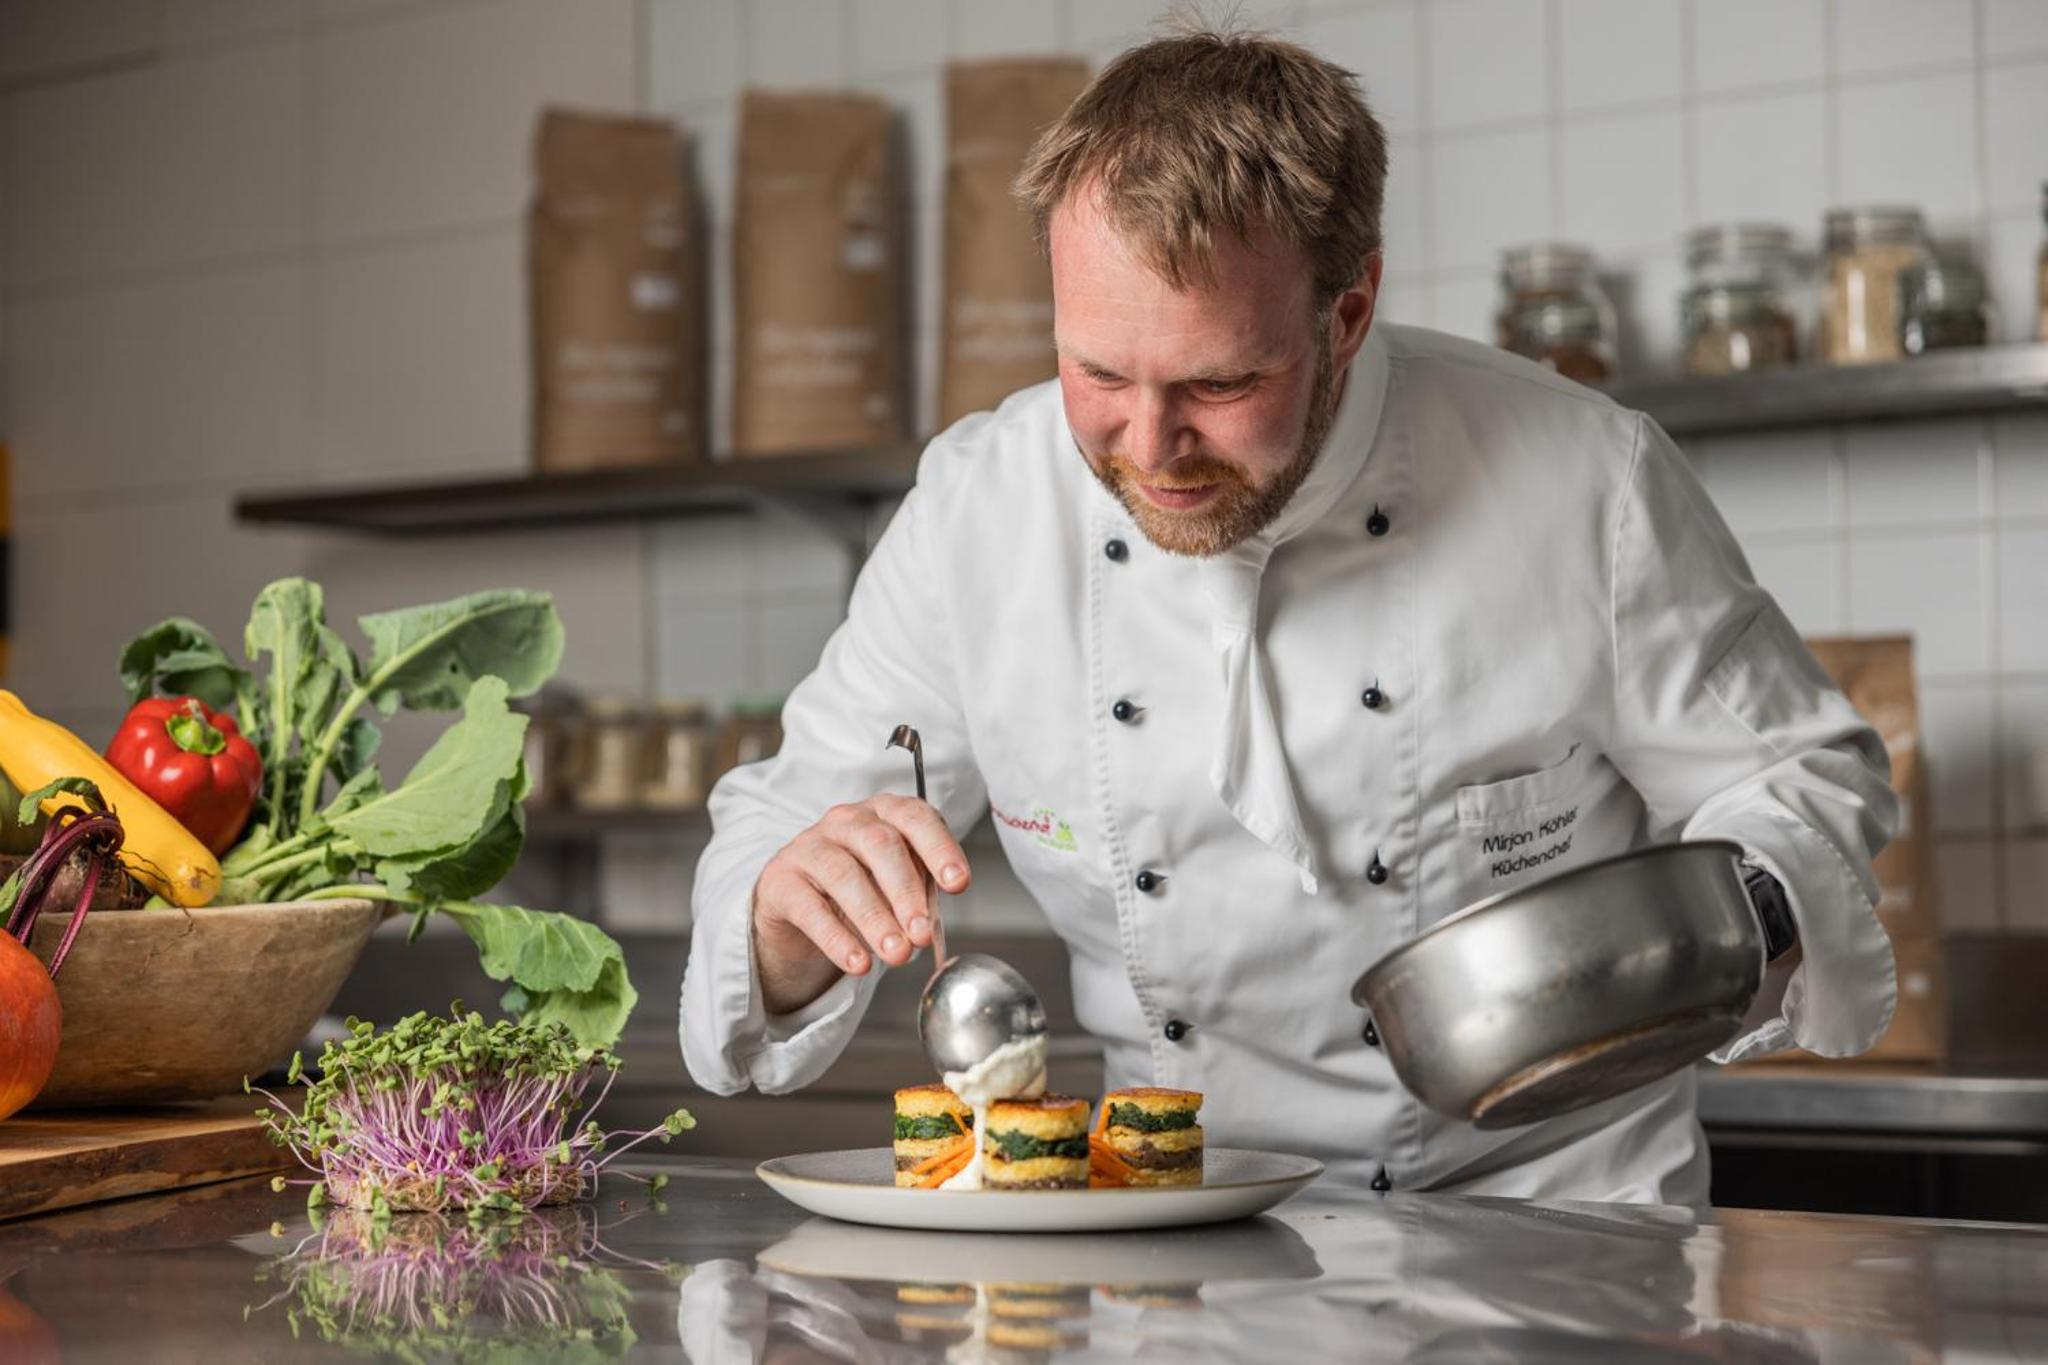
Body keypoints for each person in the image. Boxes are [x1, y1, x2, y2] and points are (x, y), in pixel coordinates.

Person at [679, 29, 1897, 1204]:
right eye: (1095, 373)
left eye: (1218, 383)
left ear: (1346, 313)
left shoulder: (1587, 481)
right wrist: (788, 917)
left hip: (1549, 1229)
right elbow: (787, 827)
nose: (1147, 446)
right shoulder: (979, 510)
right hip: (1169, 1226)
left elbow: (1804, 776)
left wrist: (1725, 916)